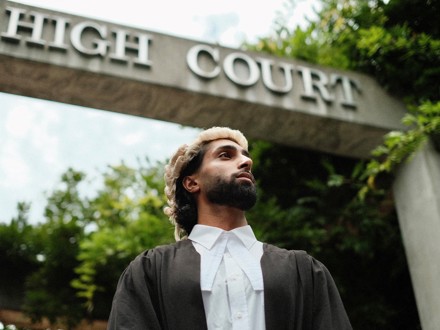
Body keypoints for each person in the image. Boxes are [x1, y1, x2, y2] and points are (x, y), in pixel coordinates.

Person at [107, 126, 352, 330]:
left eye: (246, 156)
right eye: (226, 155)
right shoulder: (150, 271)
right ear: (192, 182)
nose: (246, 161)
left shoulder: (304, 271)